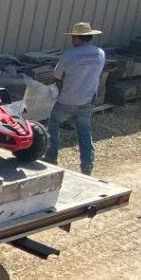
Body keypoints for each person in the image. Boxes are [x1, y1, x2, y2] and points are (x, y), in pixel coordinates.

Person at [45, 21, 105, 175]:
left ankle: (52, 156)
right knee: (84, 131)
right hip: (87, 100)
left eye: (73, 37)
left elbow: (57, 74)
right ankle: (87, 165)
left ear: (78, 38)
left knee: (53, 122)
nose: (72, 40)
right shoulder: (100, 54)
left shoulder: (69, 55)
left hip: (67, 98)